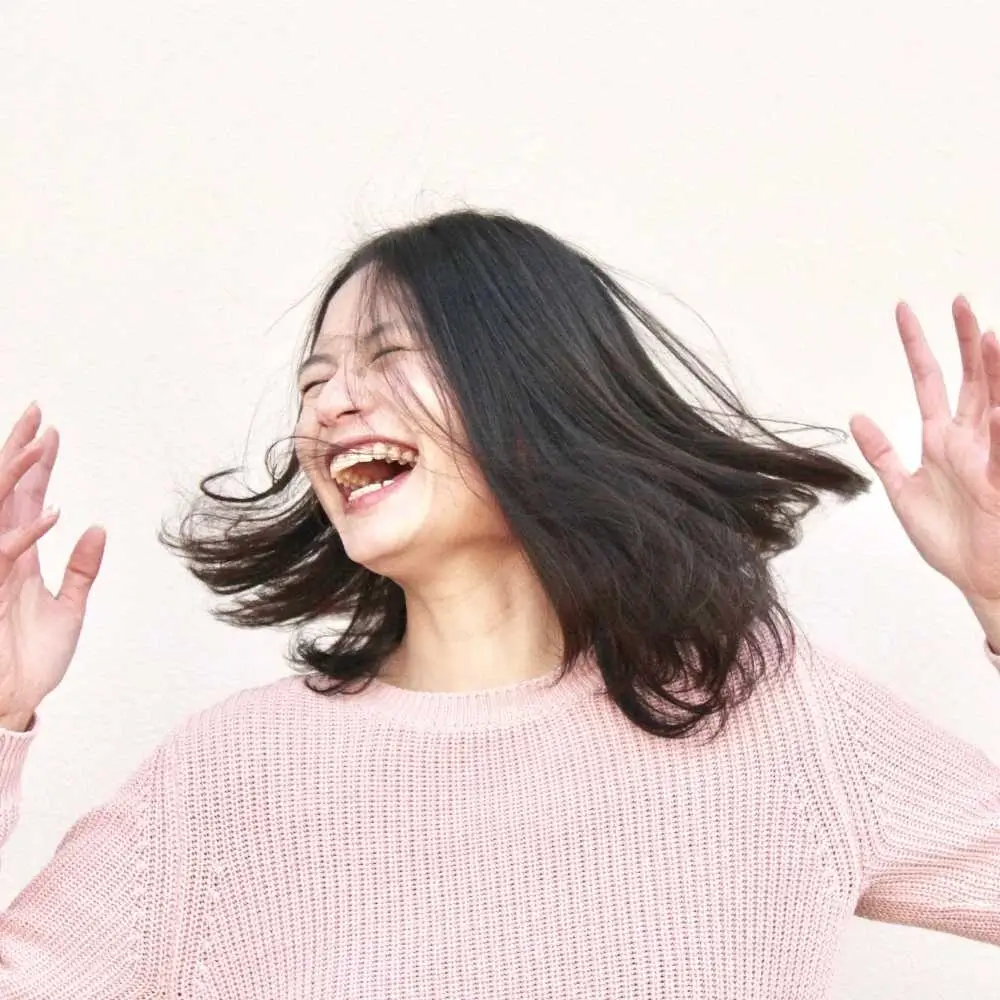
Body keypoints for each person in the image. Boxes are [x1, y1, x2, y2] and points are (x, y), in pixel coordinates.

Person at [0, 208, 997, 998]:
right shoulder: (220, 779)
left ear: (534, 398)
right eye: (314, 380)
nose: (329, 404)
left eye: (387, 358)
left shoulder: (773, 716)